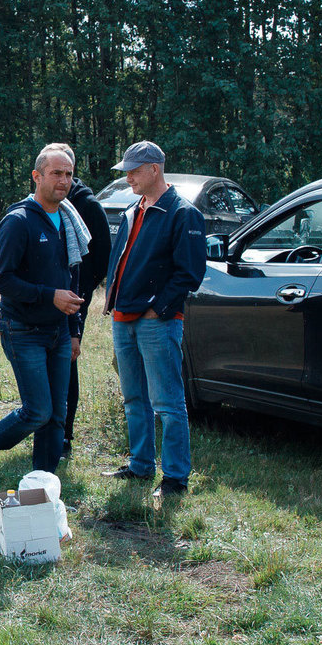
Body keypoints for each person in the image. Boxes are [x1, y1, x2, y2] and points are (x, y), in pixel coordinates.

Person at [0, 144, 87, 488]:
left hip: (59, 332)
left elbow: (72, 278)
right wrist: (50, 296)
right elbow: (1, 280)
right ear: (37, 176)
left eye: (69, 174)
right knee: (38, 411)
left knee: (56, 416)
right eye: (56, 173)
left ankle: (43, 487)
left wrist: (74, 330)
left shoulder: (67, 220)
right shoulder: (18, 221)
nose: (63, 181)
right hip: (23, 330)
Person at [101, 142, 205, 496]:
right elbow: (120, 260)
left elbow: (190, 273)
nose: (128, 177)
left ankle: (175, 478)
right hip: (123, 318)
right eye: (126, 170)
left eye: (134, 170)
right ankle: (140, 465)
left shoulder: (182, 213)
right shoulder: (133, 209)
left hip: (156, 322)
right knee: (133, 398)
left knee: (168, 403)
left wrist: (156, 310)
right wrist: (113, 303)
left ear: (155, 169)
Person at [59, 170, 113, 452]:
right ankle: (45, 424)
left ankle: (65, 433)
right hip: (48, 296)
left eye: (65, 172)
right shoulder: (42, 202)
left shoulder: (88, 205)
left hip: (76, 296)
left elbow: (104, 252)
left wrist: (84, 289)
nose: (60, 179)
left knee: (68, 356)